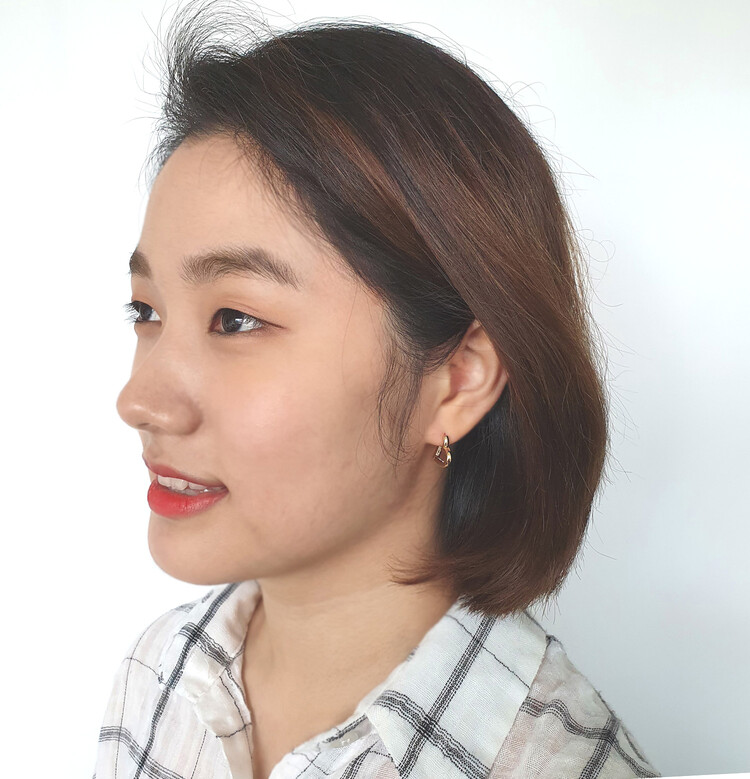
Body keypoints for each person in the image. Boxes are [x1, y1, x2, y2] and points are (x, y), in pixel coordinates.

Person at [93, 2, 660, 777]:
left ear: (458, 380)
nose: (140, 400)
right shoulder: (158, 675)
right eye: (146, 311)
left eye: (235, 319)